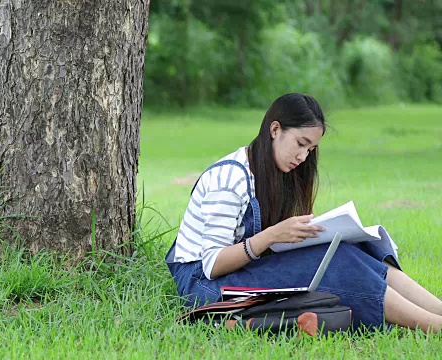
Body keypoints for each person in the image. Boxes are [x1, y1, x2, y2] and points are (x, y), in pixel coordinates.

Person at [165, 93, 442, 332]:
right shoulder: (229, 179)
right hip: (205, 287)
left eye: (311, 149)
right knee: (339, 264)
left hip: (243, 268)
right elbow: (211, 265)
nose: (304, 156)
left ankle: (437, 310)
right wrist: (272, 236)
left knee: (357, 245)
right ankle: (433, 325)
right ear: (275, 129)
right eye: (300, 143)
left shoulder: (276, 170)